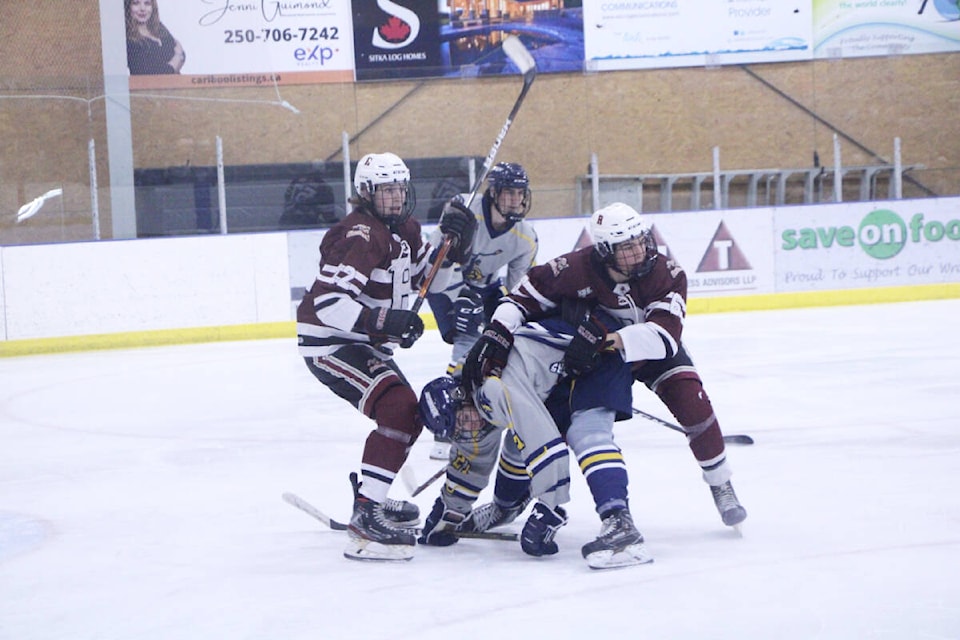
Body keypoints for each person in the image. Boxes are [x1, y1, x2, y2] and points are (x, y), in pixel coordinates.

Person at [458, 201, 748, 568]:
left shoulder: (666, 273)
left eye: (640, 240)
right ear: (605, 251)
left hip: (646, 348)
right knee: (532, 428)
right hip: (592, 358)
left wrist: (607, 339)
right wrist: (497, 333)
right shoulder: (575, 267)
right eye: (626, 247)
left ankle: (720, 482)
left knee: (694, 404)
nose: (639, 250)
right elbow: (522, 297)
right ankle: (505, 504)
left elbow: (665, 337)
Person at [295, 152, 475, 562]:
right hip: (330, 343)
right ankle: (365, 518)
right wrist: (384, 320)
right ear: (365, 193)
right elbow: (328, 303)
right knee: (399, 408)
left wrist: (455, 243)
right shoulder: (361, 234)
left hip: (363, 342)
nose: (395, 197)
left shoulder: (406, 228)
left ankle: (371, 500)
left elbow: (431, 278)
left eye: (399, 189)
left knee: (408, 415)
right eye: (385, 190)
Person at [425, 162, 538, 460]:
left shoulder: (525, 237)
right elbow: (435, 270)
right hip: (446, 285)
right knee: (466, 339)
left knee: (502, 342)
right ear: (494, 193)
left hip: (486, 289)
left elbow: (520, 295)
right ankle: (447, 418)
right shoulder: (464, 211)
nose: (516, 199)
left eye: (520, 193)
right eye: (509, 193)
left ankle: (483, 410)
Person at [125, 0, 186, 75]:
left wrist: (177, 59)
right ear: (128, 6)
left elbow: (182, 54)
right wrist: (177, 57)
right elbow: (152, 75)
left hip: (176, 84)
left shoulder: (159, 28)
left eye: (147, 3)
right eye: (136, 3)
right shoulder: (128, 40)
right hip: (147, 86)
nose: (142, 8)